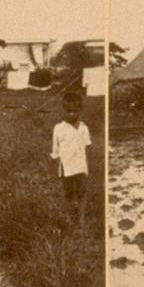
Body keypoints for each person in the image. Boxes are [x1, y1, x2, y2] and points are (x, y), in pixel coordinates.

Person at [51, 90, 92, 224]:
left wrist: (87, 166)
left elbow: (87, 147)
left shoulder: (83, 128)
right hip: (66, 166)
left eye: (75, 111)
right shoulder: (58, 128)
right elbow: (55, 151)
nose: (71, 114)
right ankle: (69, 217)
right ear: (63, 110)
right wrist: (56, 165)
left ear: (80, 110)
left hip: (81, 166)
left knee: (82, 192)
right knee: (68, 193)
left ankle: (81, 219)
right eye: (68, 111)